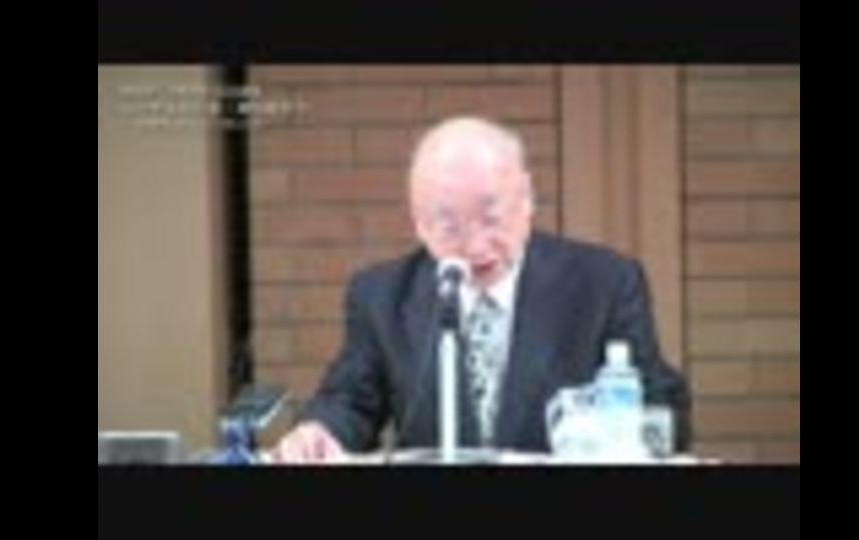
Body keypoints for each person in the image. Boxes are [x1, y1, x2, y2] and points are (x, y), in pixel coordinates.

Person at [271, 116, 690, 463]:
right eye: (448, 226)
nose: (473, 247)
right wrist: (319, 433)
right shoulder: (381, 295)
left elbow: (662, 408)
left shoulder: (604, 282)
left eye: (491, 219)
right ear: (418, 223)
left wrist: (606, 431)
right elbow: (350, 401)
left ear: (526, 199)